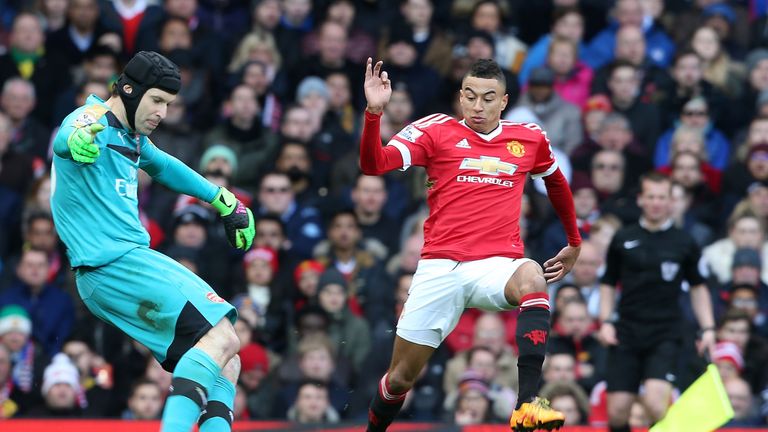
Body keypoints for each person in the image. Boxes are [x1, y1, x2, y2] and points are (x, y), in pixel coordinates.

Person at [360, 57, 581, 431]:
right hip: (439, 267)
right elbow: (373, 164)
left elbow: (555, 182)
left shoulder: (529, 138)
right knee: (399, 379)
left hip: (497, 264)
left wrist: (574, 242)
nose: (478, 107)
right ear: (460, 96)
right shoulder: (434, 130)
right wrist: (373, 113)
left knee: (533, 278)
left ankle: (526, 404)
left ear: (504, 101)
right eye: (470, 96)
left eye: (488, 98)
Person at [49, 51, 256, 432]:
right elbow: (68, 135)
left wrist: (221, 198)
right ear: (128, 89)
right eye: (157, 100)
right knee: (223, 336)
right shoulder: (92, 119)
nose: (163, 112)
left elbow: (161, 165)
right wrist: (75, 139)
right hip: (115, 264)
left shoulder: (133, 138)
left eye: (169, 103)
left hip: (112, 270)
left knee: (228, 358)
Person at [598, 172, 716, 432]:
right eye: (650, 196)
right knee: (617, 413)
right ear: (640, 199)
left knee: (655, 404)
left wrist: (708, 328)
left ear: (671, 202)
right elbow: (607, 282)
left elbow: (698, 288)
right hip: (626, 331)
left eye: (662, 197)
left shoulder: (684, 242)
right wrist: (605, 321)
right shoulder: (622, 238)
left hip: (665, 332)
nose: (656, 202)